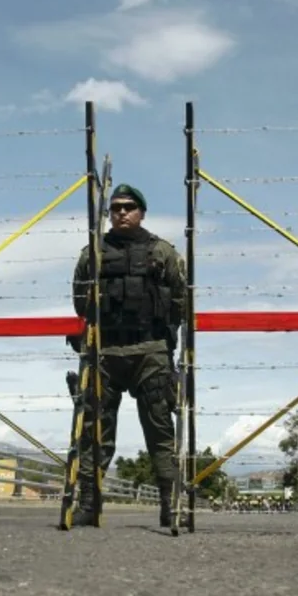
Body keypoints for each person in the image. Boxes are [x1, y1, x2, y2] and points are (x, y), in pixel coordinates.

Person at [69, 184, 186, 527]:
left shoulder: (162, 252)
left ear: (142, 212)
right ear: (109, 213)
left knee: (160, 428)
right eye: (116, 207)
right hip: (104, 352)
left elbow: (180, 299)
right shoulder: (92, 253)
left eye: (130, 206)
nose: (122, 212)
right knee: (94, 431)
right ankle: (89, 504)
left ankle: (169, 503)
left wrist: (166, 341)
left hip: (150, 352)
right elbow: (80, 300)